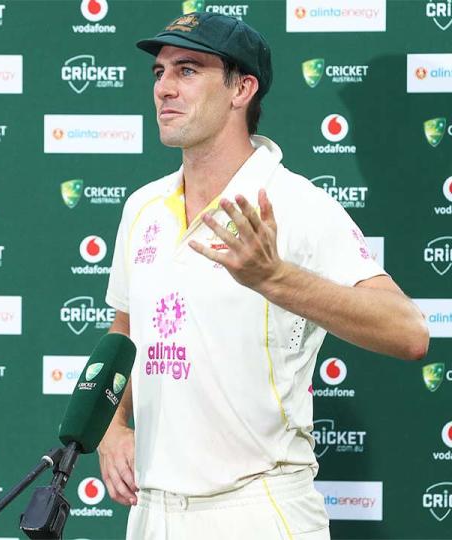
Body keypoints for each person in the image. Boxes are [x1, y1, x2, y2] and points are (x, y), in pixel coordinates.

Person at [97, 13, 429, 540]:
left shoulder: (297, 204)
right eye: (159, 73)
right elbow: (125, 333)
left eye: (187, 71)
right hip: (151, 514)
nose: (164, 88)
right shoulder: (142, 207)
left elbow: (409, 331)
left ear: (242, 88)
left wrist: (274, 278)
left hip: (257, 510)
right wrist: (112, 426)